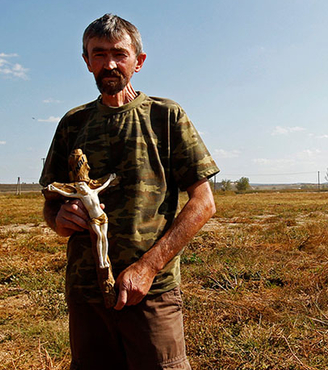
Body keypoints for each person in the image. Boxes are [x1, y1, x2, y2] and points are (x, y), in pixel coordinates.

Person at [40, 14, 219, 370]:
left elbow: (204, 203)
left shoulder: (166, 117)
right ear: (87, 61)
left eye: (120, 54)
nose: (109, 64)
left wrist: (148, 268)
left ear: (139, 61)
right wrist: (59, 219)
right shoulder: (72, 123)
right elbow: (50, 202)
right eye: (99, 54)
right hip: (86, 292)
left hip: (152, 291)